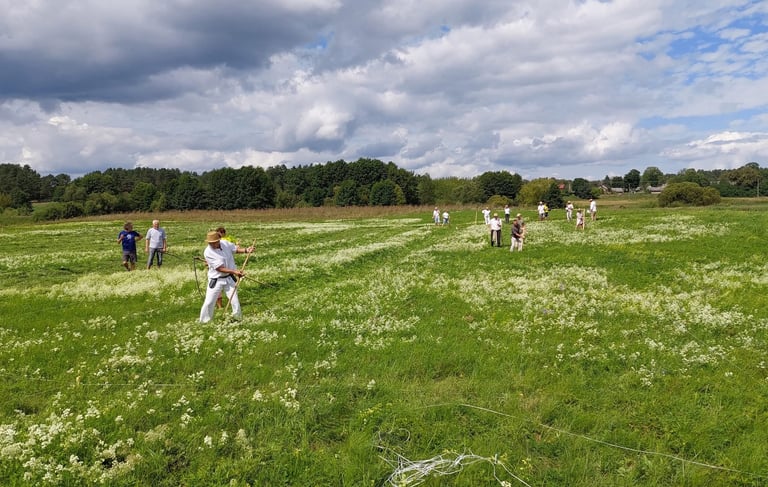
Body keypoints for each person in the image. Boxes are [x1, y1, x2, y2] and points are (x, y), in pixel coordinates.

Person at [199, 231, 253, 323]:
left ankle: (237, 318)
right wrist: (235, 272)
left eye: (214, 242)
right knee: (209, 301)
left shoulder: (225, 243)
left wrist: (246, 250)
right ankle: (205, 321)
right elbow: (219, 268)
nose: (212, 244)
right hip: (216, 280)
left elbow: (235, 249)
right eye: (210, 243)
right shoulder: (208, 252)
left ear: (218, 240)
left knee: (234, 300)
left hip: (229, 278)